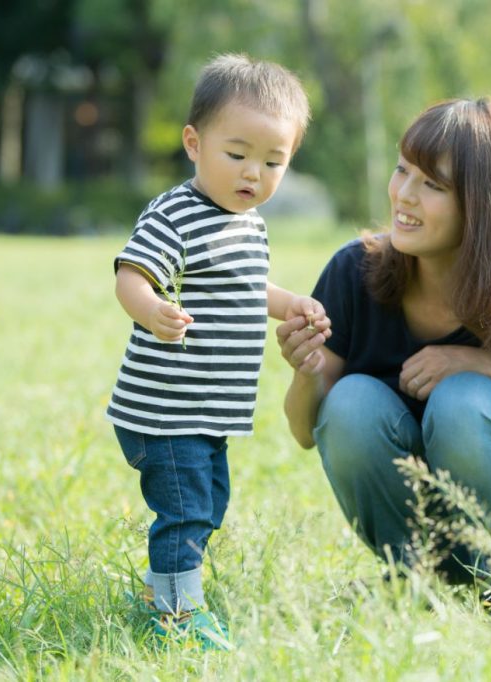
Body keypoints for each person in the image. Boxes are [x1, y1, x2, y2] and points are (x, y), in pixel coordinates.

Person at [277, 98, 491, 604]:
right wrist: (306, 374)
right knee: (348, 401)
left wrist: (489, 368)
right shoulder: (354, 273)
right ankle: (415, 580)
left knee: (466, 399)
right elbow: (308, 432)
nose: (404, 196)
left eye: (433, 185)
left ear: (485, 204)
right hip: (431, 517)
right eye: (402, 170)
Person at [105, 53, 331, 647]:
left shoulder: (248, 224)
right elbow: (132, 273)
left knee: (209, 504)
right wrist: (151, 309)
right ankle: (178, 616)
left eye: (273, 162)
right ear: (193, 143)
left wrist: (293, 304)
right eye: (237, 155)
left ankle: (162, 588)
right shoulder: (175, 213)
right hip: (166, 409)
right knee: (185, 512)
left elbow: (248, 288)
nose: (252, 174)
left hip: (207, 412)